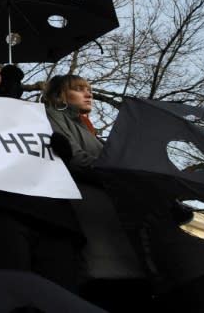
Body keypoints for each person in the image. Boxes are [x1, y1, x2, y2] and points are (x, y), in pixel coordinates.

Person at [0, 64, 85, 294]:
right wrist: (8, 86)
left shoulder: (35, 113)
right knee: (15, 294)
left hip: (51, 214)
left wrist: (61, 150)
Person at [45, 74, 150, 312]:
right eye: (79, 88)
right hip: (86, 212)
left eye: (89, 89)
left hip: (112, 221)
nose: (88, 93)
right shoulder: (51, 117)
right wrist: (122, 177)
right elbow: (73, 157)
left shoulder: (89, 131)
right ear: (59, 96)